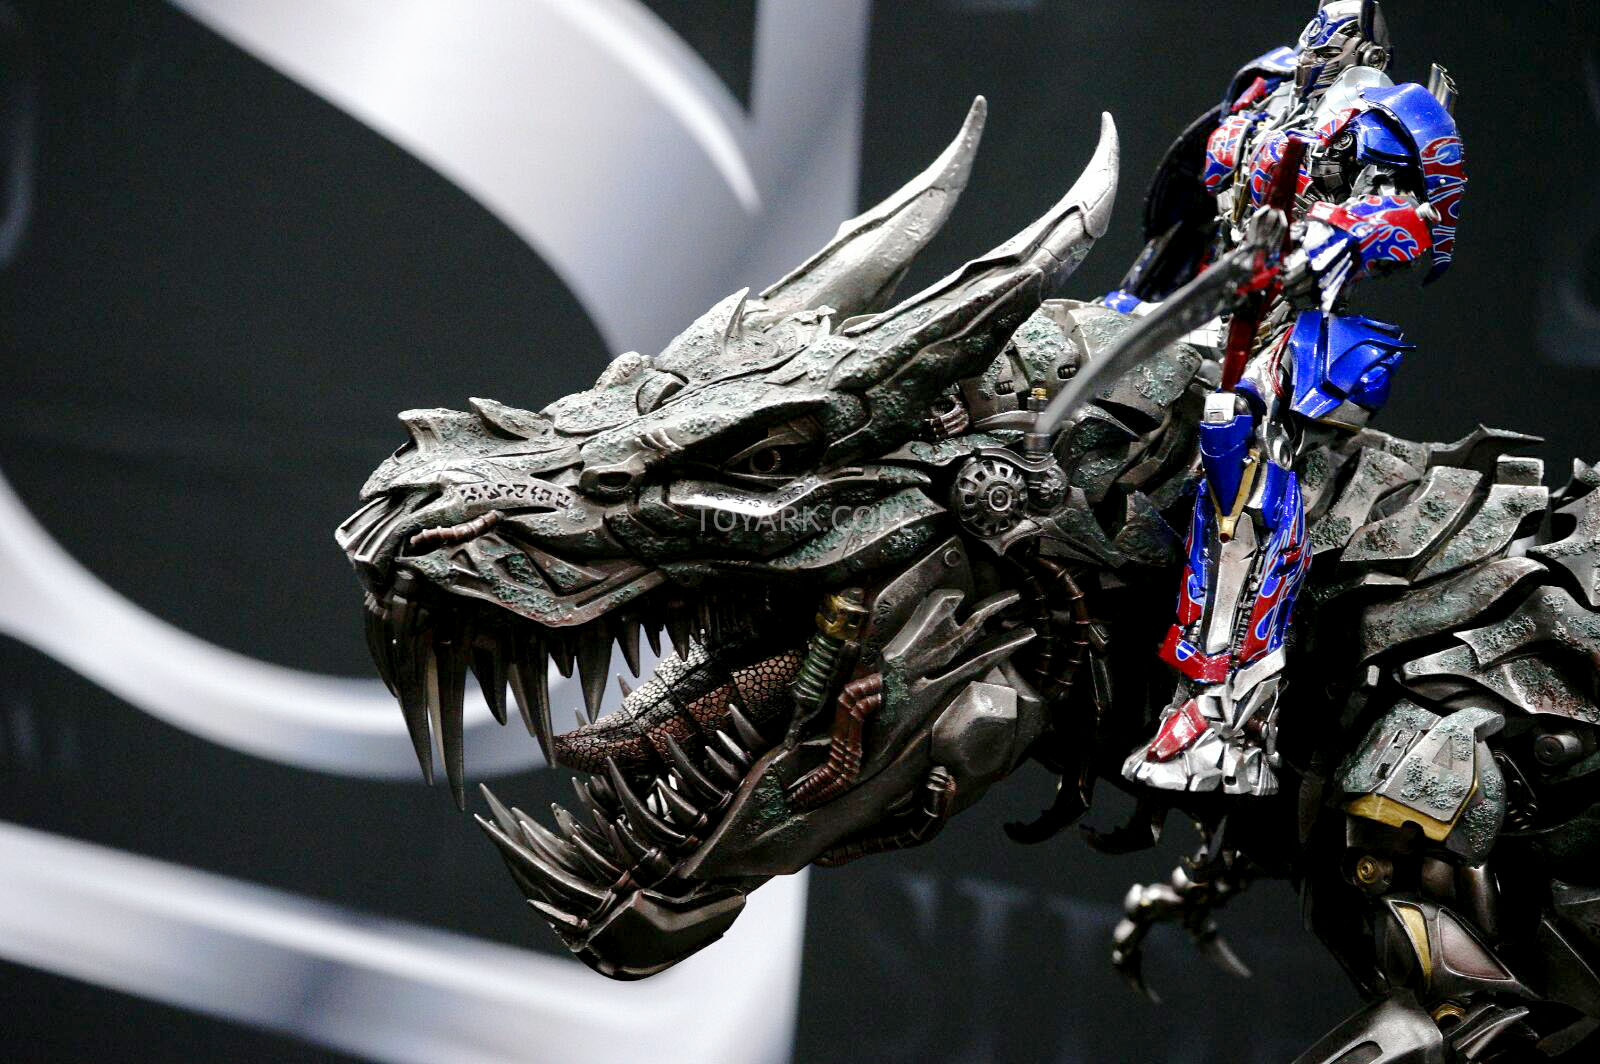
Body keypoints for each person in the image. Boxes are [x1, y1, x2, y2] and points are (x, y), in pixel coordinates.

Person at [1109, 0, 1465, 795]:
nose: (1323, 39)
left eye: (1343, 29)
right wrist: (1139, 304)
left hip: (1296, 325)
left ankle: (1227, 712)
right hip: (1213, 308)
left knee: (1241, 455)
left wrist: (1340, 239)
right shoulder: (1262, 91)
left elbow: (1415, 216)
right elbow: (1192, 221)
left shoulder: (1382, 110)